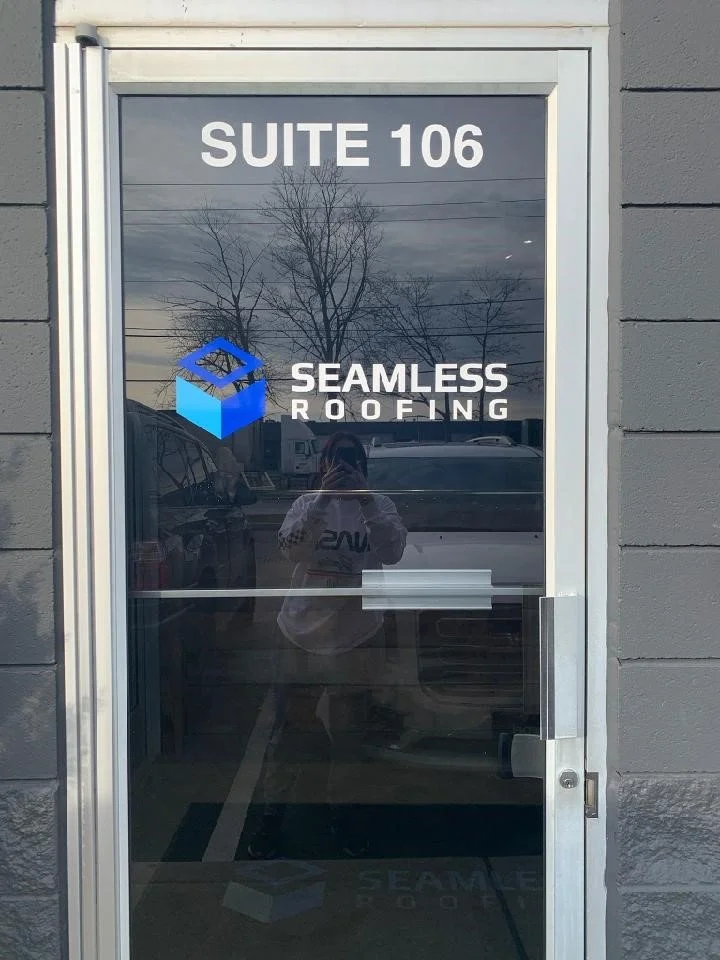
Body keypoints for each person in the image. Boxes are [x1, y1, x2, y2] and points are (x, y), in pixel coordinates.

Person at [248, 431, 406, 859]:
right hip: (301, 632)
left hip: (357, 634)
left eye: (353, 460)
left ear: (365, 466)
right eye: (337, 460)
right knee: (288, 731)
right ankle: (272, 816)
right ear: (322, 464)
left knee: (352, 731)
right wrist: (322, 500)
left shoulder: (380, 505)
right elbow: (291, 552)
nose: (345, 468)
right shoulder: (306, 504)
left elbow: (393, 552)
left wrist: (366, 500)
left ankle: (345, 816)